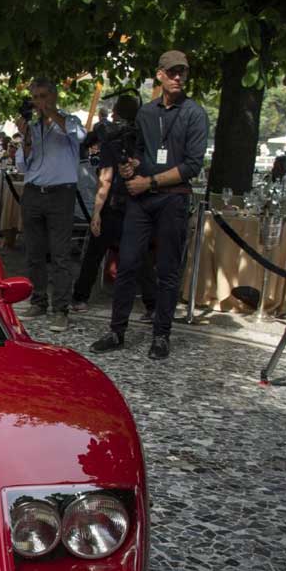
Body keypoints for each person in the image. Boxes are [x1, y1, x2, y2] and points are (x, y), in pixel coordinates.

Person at [91, 49, 210, 361]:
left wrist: (150, 182)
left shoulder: (194, 114)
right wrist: (131, 166)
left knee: (168, 268)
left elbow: (192, 165)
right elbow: (141, 152)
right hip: (141, 199)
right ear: (160, 74)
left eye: (182, 72)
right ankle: (117, 330)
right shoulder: (146, 113)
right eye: (172, 72)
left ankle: (161, 335)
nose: (178, 77)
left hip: (173, 198)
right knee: (128, 263)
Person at [70, 94, 154, 318]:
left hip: (116, 203)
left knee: (95, 252)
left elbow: (105, 179)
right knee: (141, 255)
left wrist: (97, 212)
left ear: (117, 113)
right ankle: (152, 304)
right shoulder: (144, 137)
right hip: (136, 203)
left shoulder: (113, 139)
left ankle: (80, 297)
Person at [15, 77, 85, 328]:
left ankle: (61, 308)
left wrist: (52, 113)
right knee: (34, 251)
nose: (39, 102)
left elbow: (80, 136)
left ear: (54, 96)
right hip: (34, 191)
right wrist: (25, 137)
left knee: (60, 253)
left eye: (44, 96)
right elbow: (23, 165)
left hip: (60, 193)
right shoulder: (33, 126)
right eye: (36, 98)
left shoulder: (69, 120)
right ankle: (38, 300)